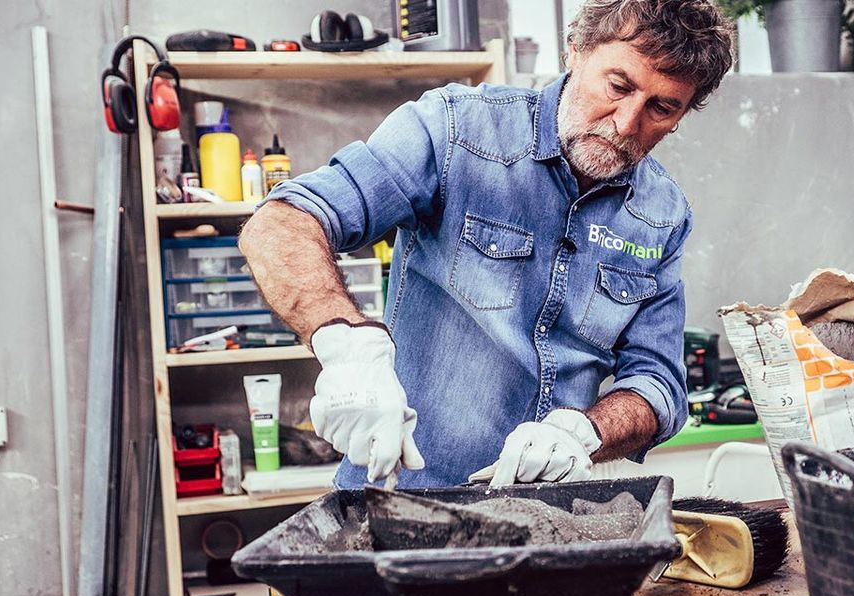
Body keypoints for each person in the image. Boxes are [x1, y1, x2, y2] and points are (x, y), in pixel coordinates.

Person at [238, 0, 734, 489]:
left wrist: (585, 433)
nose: (626, 123)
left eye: (661, 108)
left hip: (552, 517)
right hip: (402, 501)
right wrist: (347, 346)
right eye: (618, 86)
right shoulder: (456, 131)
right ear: (576, 50)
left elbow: (659, 382)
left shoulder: (663, 213)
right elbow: (282, 222)